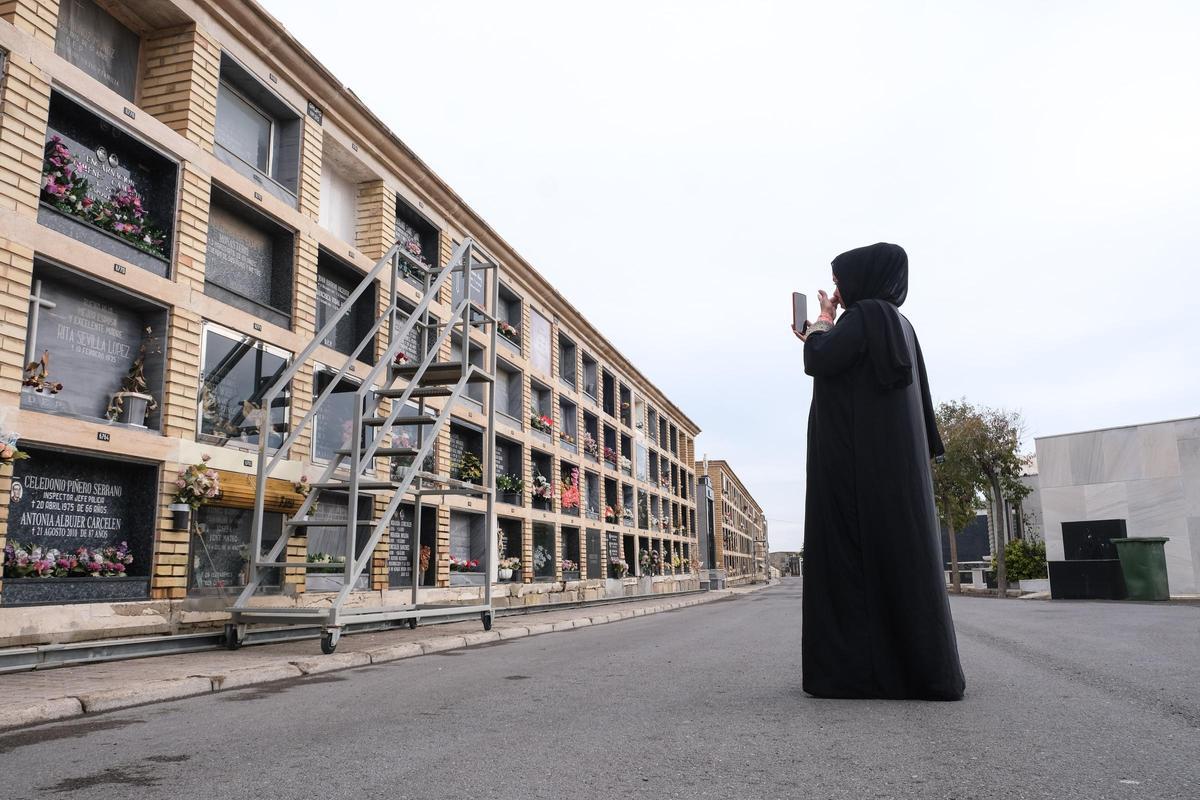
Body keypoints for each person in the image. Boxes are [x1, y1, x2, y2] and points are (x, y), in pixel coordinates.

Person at [791, 242, 965, 701]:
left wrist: (822, 325)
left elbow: (820, 360)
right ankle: (913, 668)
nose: (837, 290)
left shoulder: (866, 317)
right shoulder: (900, 324)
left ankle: (854, 671)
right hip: (891, 469)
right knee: (896, 558)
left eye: (840, 279)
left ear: (863, 278)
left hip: (855, 469)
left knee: (850, 556)